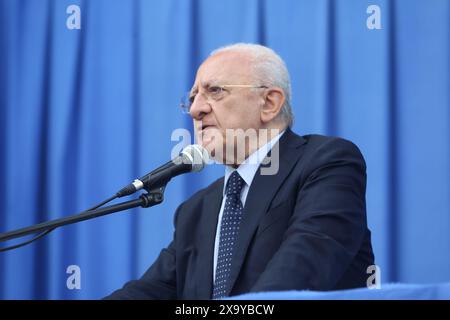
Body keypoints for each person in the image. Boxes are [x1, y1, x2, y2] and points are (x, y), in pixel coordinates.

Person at [105, 43, 375, 300]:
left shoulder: (326, 162)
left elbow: (299, 271)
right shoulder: (195, 210)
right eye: (192, 98)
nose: (196, 109)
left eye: (215, 91)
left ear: (269, 102)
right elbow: (148, 292)